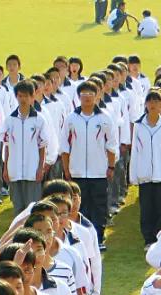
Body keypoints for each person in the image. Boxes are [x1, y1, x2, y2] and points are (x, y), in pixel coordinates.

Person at [61, 82, 118, 248]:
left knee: (99, 207)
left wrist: (111, 166)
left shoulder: (104, 118)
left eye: (90, 93)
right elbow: (65, 146)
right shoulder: (71, 118)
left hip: (99, 172)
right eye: (83, 93)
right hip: (77, 172)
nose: (87, 97)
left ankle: (98, 238)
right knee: (79, 207)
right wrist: (66, 169)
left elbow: (111, 144)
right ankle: (80, 238)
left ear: (96, 95)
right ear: (79, 96)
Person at [130, 91, 161, 247]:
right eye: (150, 101)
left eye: (156, 102)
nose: (153, 105)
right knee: (146, 210)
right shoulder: (139, 126)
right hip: (145, 176)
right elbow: (135, 152)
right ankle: (148, 239)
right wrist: (134, 175)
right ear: (145, 104)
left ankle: (159, 238)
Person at [2, 80, 49, 215]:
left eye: (26, 96)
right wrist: (5, 168)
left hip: (32, 169)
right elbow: (7, 145)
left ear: (32, 97)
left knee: (33, 207)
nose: (23, 99)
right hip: (15, 169)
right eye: (20, 96)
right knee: (18, 207)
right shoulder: (9, 120)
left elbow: (42, 146)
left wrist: (41, 167)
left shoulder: (39, 120)